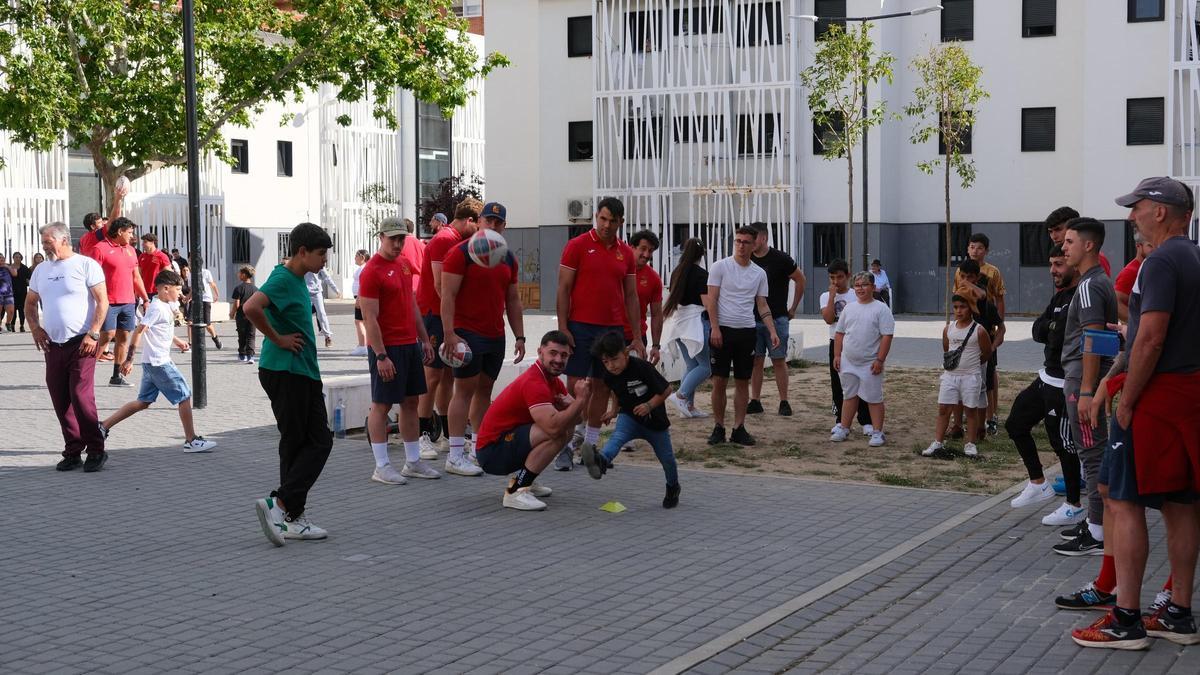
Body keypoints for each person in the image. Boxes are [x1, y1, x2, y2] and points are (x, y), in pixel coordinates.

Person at [1071, 178, 1200, 649]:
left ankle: (1124, 618)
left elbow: (1149, 337)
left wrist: (1126, 399)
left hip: (1159, 396)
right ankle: (1179, 613)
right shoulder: (1193, 256)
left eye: (1137, 207)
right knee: (1181, 501)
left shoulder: (1161, 261)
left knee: (1120, 498)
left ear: (1162, 212)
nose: (1131, 217)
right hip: (1189, 393)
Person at [244, 222, 335, 546]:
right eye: (321, 254)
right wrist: (278, 339)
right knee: (320, 441)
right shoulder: (284, 278)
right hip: (287, 372)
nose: (325, 260)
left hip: (300, 372)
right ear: (302, 252)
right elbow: (250, 307)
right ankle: (280, 504)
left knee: (297, 443)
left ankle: (292, 517)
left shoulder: (299, 278)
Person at [555, 196, 645, 469]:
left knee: (603, 387)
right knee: (576, 389)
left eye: (612, 221)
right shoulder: (577, 246)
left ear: (621, 222)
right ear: (596, 216)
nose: (606, 225)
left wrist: (637, 336)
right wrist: (562, 328)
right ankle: (565, 446)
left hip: (611, 330)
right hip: (579, 327)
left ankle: (590, 446)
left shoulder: (626, 253)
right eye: (602, 219)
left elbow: (631, 296)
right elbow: (563, 289)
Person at [440, 201, 525, 477]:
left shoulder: (508, 257)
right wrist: (449, 334)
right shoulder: (460, 253)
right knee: (463, 390)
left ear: (504, 226)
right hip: (467, 333)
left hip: (494, 333)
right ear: (479, 221)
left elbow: (512, 299)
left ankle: (479, 449)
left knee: (484, 391)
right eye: (488, 220)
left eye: (498, 222)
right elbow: (447, 295)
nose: (493, 225)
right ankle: (454, 455)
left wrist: (520, 336)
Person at [1004, 245, 1085, 525]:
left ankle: (1074, 504)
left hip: (1065, 382)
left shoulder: (1079, 295)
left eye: (1059, 264)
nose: (1053, 270)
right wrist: (1052, 325)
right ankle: (1038, 482)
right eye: (1051, 264)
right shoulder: (1059, 295)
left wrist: (1052, 327)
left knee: (1063, 444)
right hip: (1046, 377)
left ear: (1074, 264)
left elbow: (1062, 333)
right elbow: (1039, 329)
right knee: (1015, 423)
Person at [1052, 217, 1118, 559]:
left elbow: (1095, 339)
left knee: (1093, 457)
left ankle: (1097, 532)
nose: (1064, 247)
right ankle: (1096, 523)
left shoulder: (1091, 285)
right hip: (1083, 379)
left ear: (1089, 245)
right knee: (1093, 456)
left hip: (1083, 382)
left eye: (1070, 241)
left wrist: (1089, 390)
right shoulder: (1095, 282)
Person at [98, 269, 217, 453]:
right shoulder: (156, 308)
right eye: (177, 289)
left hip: (152, 362)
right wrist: (129, 360)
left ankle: (103, 426)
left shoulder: (165, 305)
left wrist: (177, 341)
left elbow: (161, 330)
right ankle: (191, 440)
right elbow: (139, 331)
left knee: (143, 402)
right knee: (184, 396)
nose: (180, 293)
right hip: (159, 363)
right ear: (165, 288)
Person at [24, 222, 109, 472]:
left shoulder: (86, 265)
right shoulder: (41, 270)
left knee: (81, 398)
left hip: (82, 343)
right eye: (42, 241)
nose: (43, 245)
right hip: (53, 346)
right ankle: (73, 450)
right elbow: (30, 304)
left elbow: (103, 302)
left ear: (63, 239)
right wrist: (35, 329)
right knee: (60, 399)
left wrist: (93, 334)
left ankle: (96, 449)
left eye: (47, 240)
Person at [360, 219, 439, 485]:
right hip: (387, 347)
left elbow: (412, 306)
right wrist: (380, 355)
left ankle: (413, 462)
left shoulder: (404, 264)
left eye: (401, 239)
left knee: (411, 403)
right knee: (381, 405)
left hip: (409, 344)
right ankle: (381, 466)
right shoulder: (371, 271)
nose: (397, 244)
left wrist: (425, 340)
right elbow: (370, 318)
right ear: (381, 237)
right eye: (392, 238)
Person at [474, 330, 589, 511]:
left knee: (565, 429)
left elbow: (579, 419)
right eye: (553, 353)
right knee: (557, 433)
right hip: (491, 452)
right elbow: (552, 428)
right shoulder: (534, 382)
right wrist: (580, 401)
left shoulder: (553, 381)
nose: (558, 360)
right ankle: (516, 491)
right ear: (540, 352)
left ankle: (526, 479)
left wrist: (573, 404)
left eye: (564, 355)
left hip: (506, 443)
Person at [582, 332, 681, 508]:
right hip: (629, 417)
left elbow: (667, 390)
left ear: (626, 353)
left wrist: (649, 405)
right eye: (606, 362)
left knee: (667, 459)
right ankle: (600, 461)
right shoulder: (609, 375)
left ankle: (673, 487)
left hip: (654, 422)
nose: (611, 366)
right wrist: (613, 411)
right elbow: (615, 390)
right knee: (617, 438)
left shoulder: (642, 368)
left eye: (614, 359)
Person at [416, 200, 481, 453]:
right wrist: (452, 319)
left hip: (444, 316)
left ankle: (443, 434)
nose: (478, 232)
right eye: (477, 225)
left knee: (446, 376)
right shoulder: (444, 239)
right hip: (434, 313)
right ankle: (422, 436)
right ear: (469, 220)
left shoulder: (455, 240)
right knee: (431, 375)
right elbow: (440, 285)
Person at [704, 226, 777, 446]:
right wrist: (714, 328)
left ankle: (739, 427)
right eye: (737, 241)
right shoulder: (720, 267)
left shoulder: (759, 273)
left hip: (746, 331)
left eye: (746, 242)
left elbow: (762, 304)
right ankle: (718, 426)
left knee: (743, 381)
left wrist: (772, 330)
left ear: (754, 244)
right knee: (719, 381)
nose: (741, 246)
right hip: (723, 330)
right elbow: (712, 300)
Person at [746, 221, 805, 417]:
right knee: (756, 360)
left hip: (778, 317)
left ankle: (784, 401)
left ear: (763, 238)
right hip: (751, 319)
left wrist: (793, 308)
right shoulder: (746, 259)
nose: (749, 244)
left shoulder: (781, 259)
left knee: (779, 360)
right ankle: (755, 399)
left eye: (753, 239)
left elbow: (800, 279)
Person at [923, 294, 992, 458]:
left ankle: (970, 443)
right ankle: (938, 442)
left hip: (970, 376)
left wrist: (972, 363)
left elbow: (987, 352)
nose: (959, 311)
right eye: (955, 307)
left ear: (971, 308)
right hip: (950, 375)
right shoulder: (949, 329)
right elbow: (947, 349)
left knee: (970, 409)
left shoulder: (979, 330)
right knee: (943, 408)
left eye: (963, 307)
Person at [831, 272, 894, 446]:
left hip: (870, 363)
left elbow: (887, 336)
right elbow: (840, 333)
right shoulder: (849, 308)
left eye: (864, 285)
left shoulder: (881, 309)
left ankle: (877, 432)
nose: (861, 288)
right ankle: (844, 427)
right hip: (848, 361)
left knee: (873, 397)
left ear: (873, 287)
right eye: (857, 285)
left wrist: (880, 360)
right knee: (849, 395)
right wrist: (837, 355)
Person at [953, 233, 1006, 435]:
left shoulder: (992, 272)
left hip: (986, 325)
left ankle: (991, 417)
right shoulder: (959, 271)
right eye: (972, 247)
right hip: (966, 328)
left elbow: (997, 298)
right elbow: (957, 296)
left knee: (988, 374)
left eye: (980, 248)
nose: (976, 251)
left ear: (986, 250)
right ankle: (962, 420)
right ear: (968, 248)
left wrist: (998, 325)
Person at [93, 217, 151, 386]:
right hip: (108, 302)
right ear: (119, 232)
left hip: (128, 302)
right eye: (130, 232)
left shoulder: (131, 250)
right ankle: (84, 371)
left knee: (123, 338)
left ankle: (116, 377)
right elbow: (91, 277)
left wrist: (145, 299)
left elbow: (136, 277)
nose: (132, 236)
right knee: (107, 336)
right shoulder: (100, 248)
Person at [820, 259, 873, 434]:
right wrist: (832, 297)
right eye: (832, 278)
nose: (836, 282)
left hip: (856, 342)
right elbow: (828, 319)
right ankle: (841, 420)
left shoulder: (855, 295)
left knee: (862, 380)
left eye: (840, 277)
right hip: (835, 341)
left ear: (848, 276)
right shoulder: (825, 296)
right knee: (838, 382)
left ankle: (866, 420)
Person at [663, 238, 710, 419]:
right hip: (695, 322)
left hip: (679, 323)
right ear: (701, 254)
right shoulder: (701, 274)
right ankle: (680, 396)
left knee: (692, 365)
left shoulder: (677, 272)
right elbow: (707, 302)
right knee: (706, 367)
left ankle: (688, 407)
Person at [623, 229, 664, 362]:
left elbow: (657, 314)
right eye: (643, 249)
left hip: (637, 337)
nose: (646, 254)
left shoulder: (654, 278)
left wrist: (656, 346)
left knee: (635, 381)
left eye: (650, 251)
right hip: (610, 334)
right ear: (632, 247)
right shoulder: (618, 269)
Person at [1046, 206, 1112, 276]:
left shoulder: (1096, 259)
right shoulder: (1063, 255)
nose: (1053, 236)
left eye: (1058, 229)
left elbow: (1099, 284)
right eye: (1050, 232)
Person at [1114, 231, 1155, 323]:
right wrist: (1138, 324)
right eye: (1150, 246)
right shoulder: (1131, 272)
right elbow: (1116, 302)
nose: (1154, 249)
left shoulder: (1147, 268)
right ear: (1138, 246)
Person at [78, 184, 126, 260]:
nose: (103, 223)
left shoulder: (83, 238)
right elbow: (114, 220)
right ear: (93, 226)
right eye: (100, 222)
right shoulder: (96, 235)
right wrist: (118, 199)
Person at [304, 265, 339, 348]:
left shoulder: (317, 263)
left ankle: (328, 337)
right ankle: (305, 338)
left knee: (321, 314)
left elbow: (327, 277)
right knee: (305, 315)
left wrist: (335, 289)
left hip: (317, 292)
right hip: (304, 292)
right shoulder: (301, 262)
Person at [229, 266, 258, 363]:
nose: (238, 275)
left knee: (242, 335)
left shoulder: (238, 288)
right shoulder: (255, 289)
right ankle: (250, 356)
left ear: (244, 275)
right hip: (253, 315)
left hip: (242, 315)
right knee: (251, 335)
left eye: (239, 273)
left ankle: (242, 354)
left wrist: (232, 313)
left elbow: (236, 304)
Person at [194, 256, 222, 350]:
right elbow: (191, 288)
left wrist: (216, 294)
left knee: (207, 323)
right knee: (194, 322)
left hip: (206, 298)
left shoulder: (206, 272)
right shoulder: (190, 274)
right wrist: (187, 298)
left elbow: (212, 284)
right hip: (196, 299)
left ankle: (215, 338)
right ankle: (194, 343)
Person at [137, 233, 172, 297]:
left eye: (145, 242)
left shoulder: (162, 256)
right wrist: (137, 290)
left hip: (158, 291)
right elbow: (138, 274)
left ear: (152, 242)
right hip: (144, 291)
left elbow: (168, 275)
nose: (142, 244)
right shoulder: (142, 256)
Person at [349, 249, 369, 356]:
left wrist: (359, 298)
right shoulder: (362, 268)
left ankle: (363, 346)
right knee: (361, 321)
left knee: (359, 321)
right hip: (360, 296)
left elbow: (362, 284)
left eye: (356, 256)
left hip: (360, 297)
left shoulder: (364, 268)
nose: (355, 258)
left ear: (362, 257)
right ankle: (363, 344)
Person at [8, 252, 31, 332]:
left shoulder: (25, 268)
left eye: (19, 257)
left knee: (22, 310)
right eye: (16, 257)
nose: (17, 258)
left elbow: (30, 278)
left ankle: (22, 325)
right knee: (12, 310)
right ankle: (12, 325)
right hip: (11, 293)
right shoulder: (9, 268)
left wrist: (28, 282)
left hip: (22, 292)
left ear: (21, 258)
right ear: (13, 258)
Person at [0, 253, 13, 332]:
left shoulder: (8, 266)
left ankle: (8, 323)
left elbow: (15, 273)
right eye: (0, 258)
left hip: (8, 292)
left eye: (3, 258)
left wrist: (7, 266)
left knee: (11, 311)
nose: (2, 260)